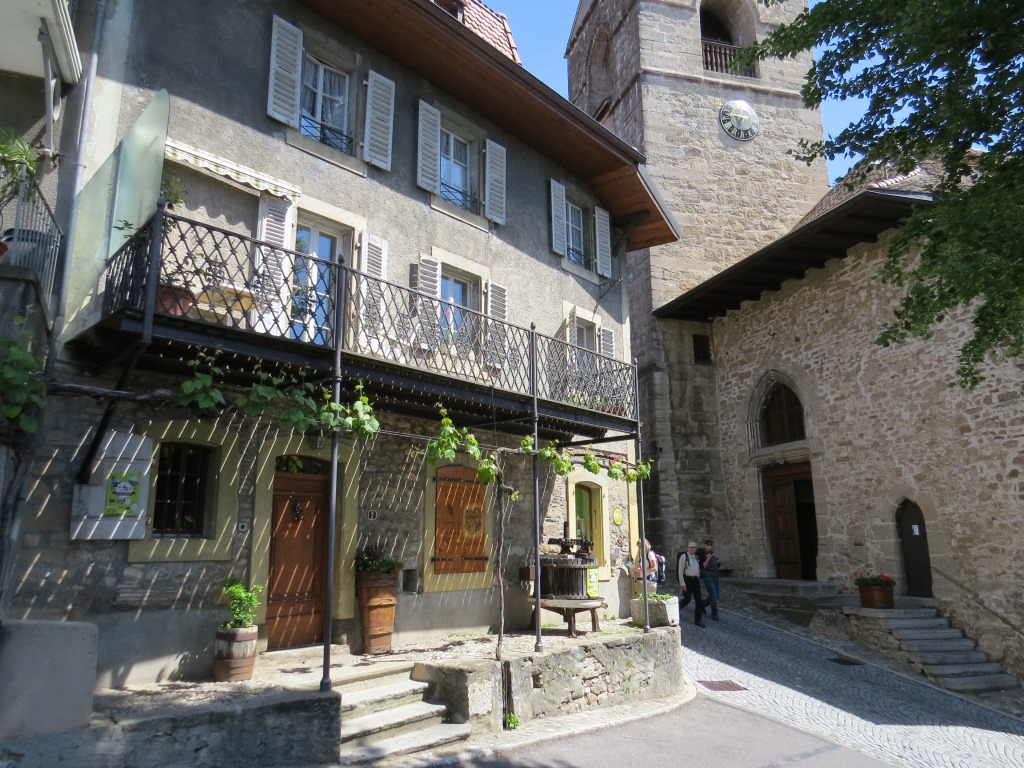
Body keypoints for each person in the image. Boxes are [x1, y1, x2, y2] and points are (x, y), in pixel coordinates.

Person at [677, 541, 705, 627]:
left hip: (695, 580)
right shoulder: (684, 556)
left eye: (694, 548)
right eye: (690, 547)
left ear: (695, 549)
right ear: (688, 548)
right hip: (687, 580)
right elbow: (680, 571)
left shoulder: (696, 557)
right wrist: (682, 583)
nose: (692, 549)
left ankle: (698, 619)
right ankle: (675, 610)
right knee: (687, 599)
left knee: (699, 600)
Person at [701, 538, 721, 621]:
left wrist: (717, 560)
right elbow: (703, 566)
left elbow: (717, 565)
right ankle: (714, 613)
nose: (709, 546)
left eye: (710, 545)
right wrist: (708, 558)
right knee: (713, 593)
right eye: (707, 545)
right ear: (705, 545)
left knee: (716, 595)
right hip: (707, 576)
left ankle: (702, 605)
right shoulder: (702, 553)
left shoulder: (713, 553)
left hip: (715, 576)